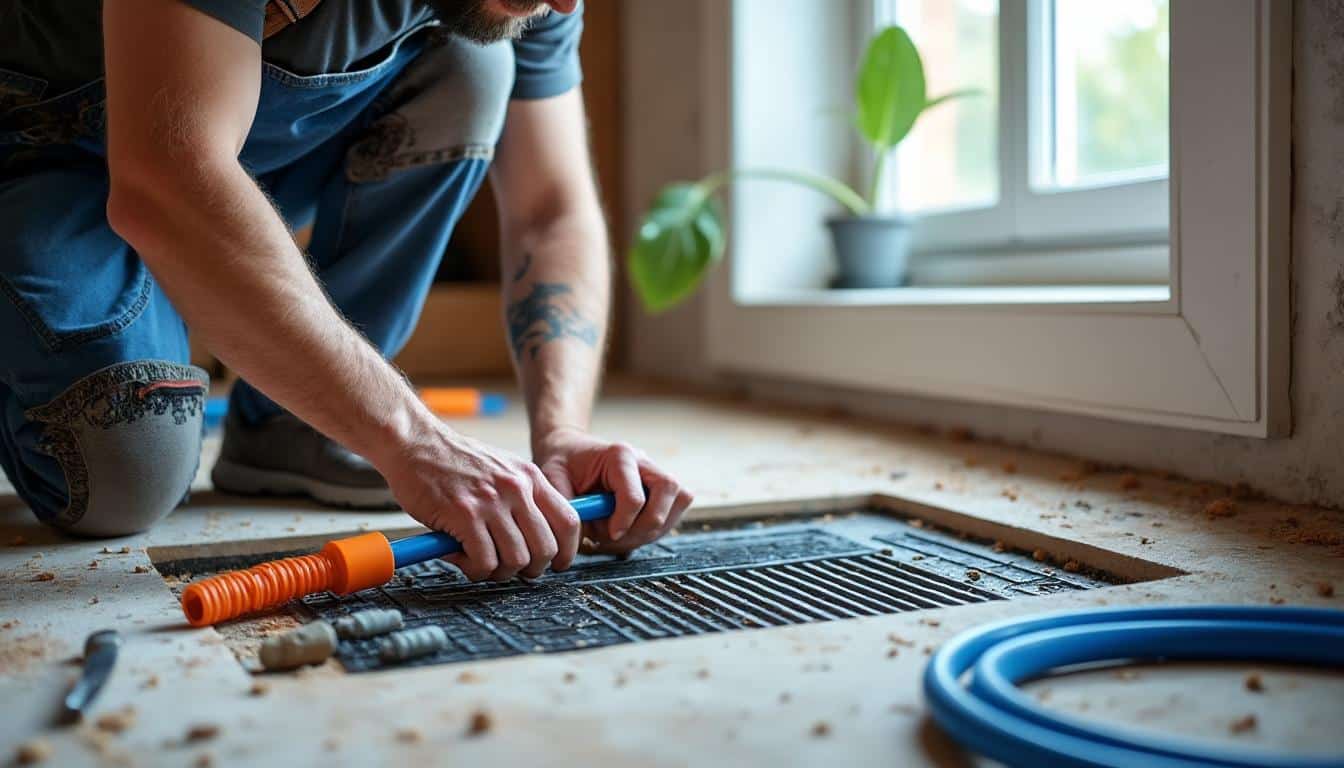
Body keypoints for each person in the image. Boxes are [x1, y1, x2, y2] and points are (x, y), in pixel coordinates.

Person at [0, 0, 692, 582]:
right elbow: (166, 178)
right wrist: (413, 441)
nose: (567, 5)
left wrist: (562, 432)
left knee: (476, 60)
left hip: (207, 148)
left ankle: (294, 426)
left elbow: (550, 211)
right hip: (41, 160)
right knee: (124, 474)